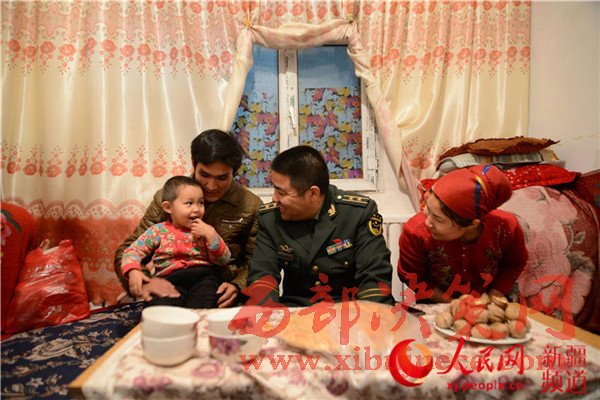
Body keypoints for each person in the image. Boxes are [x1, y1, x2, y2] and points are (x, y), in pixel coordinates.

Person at [114, 129, 262, 308]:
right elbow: (128, 250)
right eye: (204, 175)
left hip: (217, 290)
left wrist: (238, 286)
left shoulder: (251, 206)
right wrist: (144, 281)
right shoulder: (169, 198)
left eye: (222, 178)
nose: (211, 186)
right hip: (170, 284)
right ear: (194, 164)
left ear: (234, 172)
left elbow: (257, 262)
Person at [246, 145, 395, 307]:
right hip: (297, 310)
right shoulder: (270, 219)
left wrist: (368, 316)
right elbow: (262, 277)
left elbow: (374, 276)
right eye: (275, 190)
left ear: (313, 193)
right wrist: (267, 316)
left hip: (349, 309)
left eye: (281, 193)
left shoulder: (357, 213)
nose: (274, 198)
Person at [398, 164, 528, 303]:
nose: (427, 222)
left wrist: (493, 298)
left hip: (489, 301)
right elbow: (412, 277)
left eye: (438, 219)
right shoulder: (415, 233)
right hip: (436, 304)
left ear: (472, 224)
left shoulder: (506, 227)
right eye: (427, 208)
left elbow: (513, 264)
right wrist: (454, 305)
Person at [121, 176, 231, 308]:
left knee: (207, 304)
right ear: (168, 207)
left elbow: (224, 260)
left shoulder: (207, 230)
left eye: (201, 203)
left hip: (204, 278)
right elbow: (133, 250)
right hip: (170, 280)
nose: (197, 209)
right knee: (160, 307)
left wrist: (212, 237)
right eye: (189, 203)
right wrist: (133, 270)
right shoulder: (157, 230)